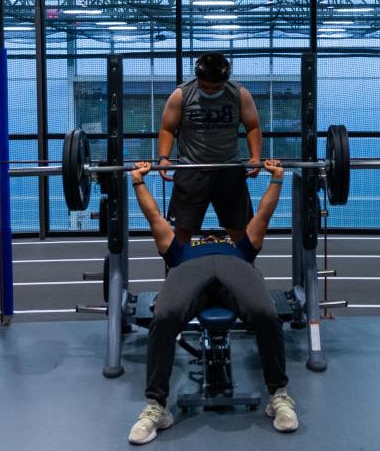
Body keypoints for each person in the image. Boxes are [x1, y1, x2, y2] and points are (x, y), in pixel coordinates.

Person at [126, 159, 298, 445]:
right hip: (190, 271)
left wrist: (277, 178)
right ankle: (156, 407)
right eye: (205, 234)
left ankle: (278, 396)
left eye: (213, 233)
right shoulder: (181, 251)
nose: (209, 233)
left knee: (265, 312)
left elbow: (264, 215)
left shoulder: (240, 247)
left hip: (235, 267)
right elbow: (154, 216)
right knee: (165, 315)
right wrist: (137, 180)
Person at [157, 52, 262, 244]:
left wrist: (255, 157)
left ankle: (246, 271)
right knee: (182, 231)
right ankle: (178, 273)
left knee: (240, 231)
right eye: (205, 86)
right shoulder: (182, 94)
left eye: (215, 87)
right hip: (191, 170)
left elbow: (253, 126)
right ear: (197, 78)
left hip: (229, 169)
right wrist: (163, 158)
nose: (210, 91)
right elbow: (167, 129)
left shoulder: (239, 94)